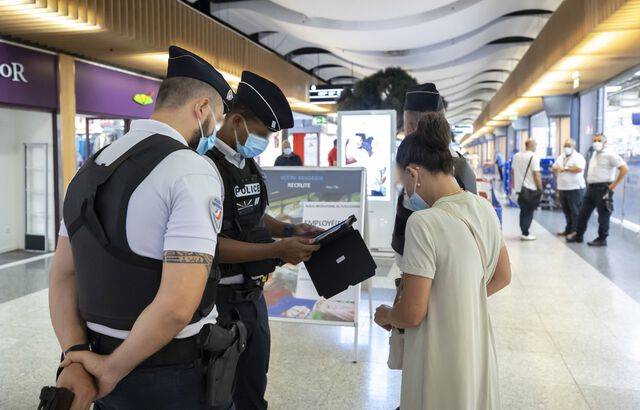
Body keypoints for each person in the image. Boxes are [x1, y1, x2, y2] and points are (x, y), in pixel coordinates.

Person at [49, 45, 236, 409]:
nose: (215, 129)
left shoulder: (91, 168)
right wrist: (112, 370)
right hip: (170, 373)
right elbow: (177, 306)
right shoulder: (190, 170)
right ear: (201, 109)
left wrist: (75, 354)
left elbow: (62, 275)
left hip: (96, 362)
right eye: (218, 117)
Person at [200, 70, 322, 409]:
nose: (265, 141)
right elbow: (210, 245)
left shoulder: (247, 162)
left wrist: (287, 230)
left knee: (253, 390)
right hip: (219, 302)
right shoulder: (205, 167)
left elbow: (253, 218)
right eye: (262, 133)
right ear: (237, 121)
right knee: (219, 392)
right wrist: (277, 249)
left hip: (254, 299)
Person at [374, 112, 511, 409]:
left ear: (414, 173)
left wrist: (386, 314)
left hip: (439, 351)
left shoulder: (424, 223)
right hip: (475, 343)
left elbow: (411, 313)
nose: (407, 192)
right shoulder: (484, 208)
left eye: (404, 182)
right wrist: (460, 300)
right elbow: (502, 276)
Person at [391, 82, 477, 257]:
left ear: (414, 127)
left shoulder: (454, 165)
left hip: (429, 261)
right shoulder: (459, 164)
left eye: (408, 125)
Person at [567, 134, 628, 246]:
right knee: (583, 213)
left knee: (603, 214)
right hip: (591, 188)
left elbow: (624, 169)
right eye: (594, 140)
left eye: (599, 140)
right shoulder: (595, 154)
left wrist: (614, 185)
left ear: (605, 142)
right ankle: (578, 235)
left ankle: (602, 239)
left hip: (603, 188)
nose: (596, 142)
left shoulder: (610, 154)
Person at [552, 139, 586, 236]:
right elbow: (554, 167)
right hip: (563, 188)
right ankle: (568, 229)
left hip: (575, 189)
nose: (566, 148)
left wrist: (565, 168)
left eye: (568, 146)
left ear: (573, 147)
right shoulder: (561, 156)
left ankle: (575, 232)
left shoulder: (578, 157)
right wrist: (558, 168)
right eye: (565, 145)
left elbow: (579, 168)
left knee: (575, 212)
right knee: (566, 211)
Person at [511, 139, 542, 241]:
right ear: (531, 145)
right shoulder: (533, 157)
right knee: (529, 211)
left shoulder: (516, 156)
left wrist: (513, 187)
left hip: (520, 189)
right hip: (530, 189)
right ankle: (525, 233)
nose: (536, 147)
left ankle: (523, 231)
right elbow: (536, 175)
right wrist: (540, 189)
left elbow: (512, 172)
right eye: (535, 145)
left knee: (523, 211)